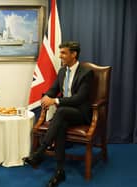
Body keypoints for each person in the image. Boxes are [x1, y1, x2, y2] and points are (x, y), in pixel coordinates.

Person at [23, 41, 94, 187]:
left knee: (60, 112)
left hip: (81, 113)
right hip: (65, 114)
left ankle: (41, 151)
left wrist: (54, 100)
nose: (59, 56)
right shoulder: (62, 71)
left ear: (73, 54)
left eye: (63, 53)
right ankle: (59, 171)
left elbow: (79, 98)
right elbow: (53, 90)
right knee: (61, 123)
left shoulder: (86, 73)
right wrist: (46, 97)